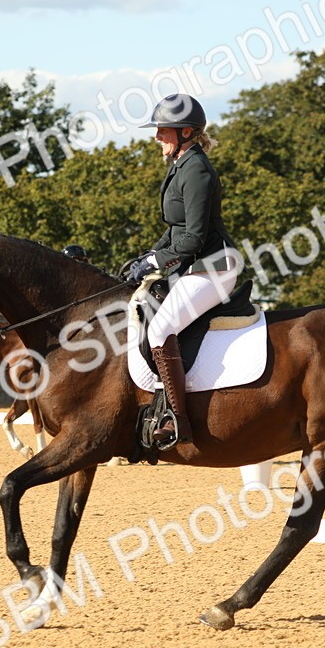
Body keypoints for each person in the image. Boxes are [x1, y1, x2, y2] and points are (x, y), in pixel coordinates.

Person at [126, 94, 240, 445]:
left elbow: (193, 238)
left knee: (161, 330)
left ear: (186, 132)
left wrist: (156, 262)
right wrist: (150, 254)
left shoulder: (197, 170)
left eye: (163, 130)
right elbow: (176, 229)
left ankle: (177, 419)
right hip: (194, 267)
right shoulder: (181, 164)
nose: (156, 136)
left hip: (214, 268)